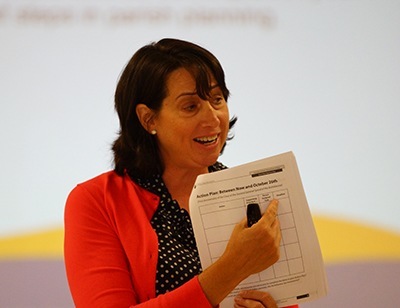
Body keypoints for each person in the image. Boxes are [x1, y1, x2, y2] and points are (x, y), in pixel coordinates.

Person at [64, 38, 299, 308]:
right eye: (190, 106)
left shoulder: (254, 192)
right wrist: (232, 269)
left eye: (217, 99)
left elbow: (286, 298)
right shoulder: (97, 201)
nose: (213, 118)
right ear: (148, 119)